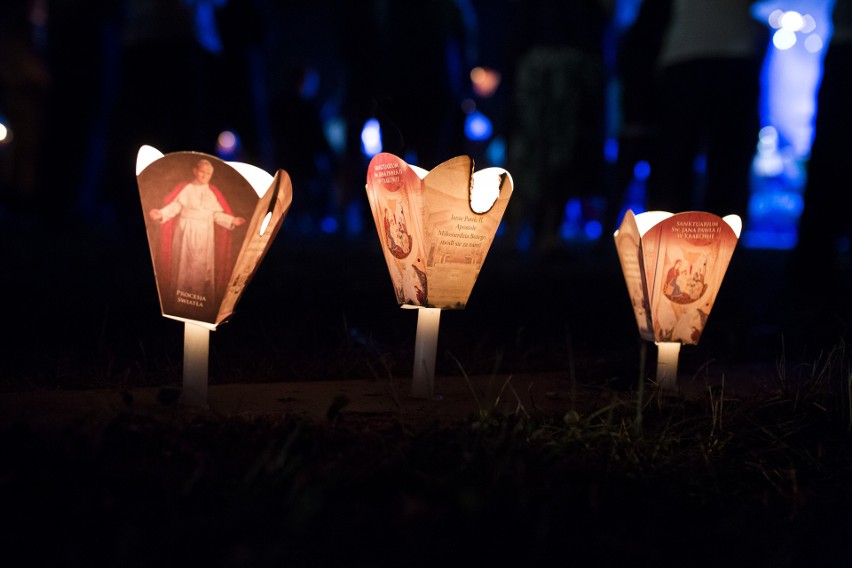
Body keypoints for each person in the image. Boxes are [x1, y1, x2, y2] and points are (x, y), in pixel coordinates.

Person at [646, 0, 767, 219]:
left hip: (687, 58)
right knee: (726, 168)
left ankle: (669, 248)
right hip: (729, 56)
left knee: (675, 165)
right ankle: (718, 247)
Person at [149, 159, 245, 304]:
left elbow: (216, 215)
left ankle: (199, 301)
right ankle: (180, 301)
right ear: (195, 171)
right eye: (202, 171)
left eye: (208, 173)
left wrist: (232, 220)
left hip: (205, 235)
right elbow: (175, 207)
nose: (204, 175)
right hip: (185, 233)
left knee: (201, 268)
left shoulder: (212, 192)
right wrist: (161, 214)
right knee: (184, 265)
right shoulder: (186, 188)